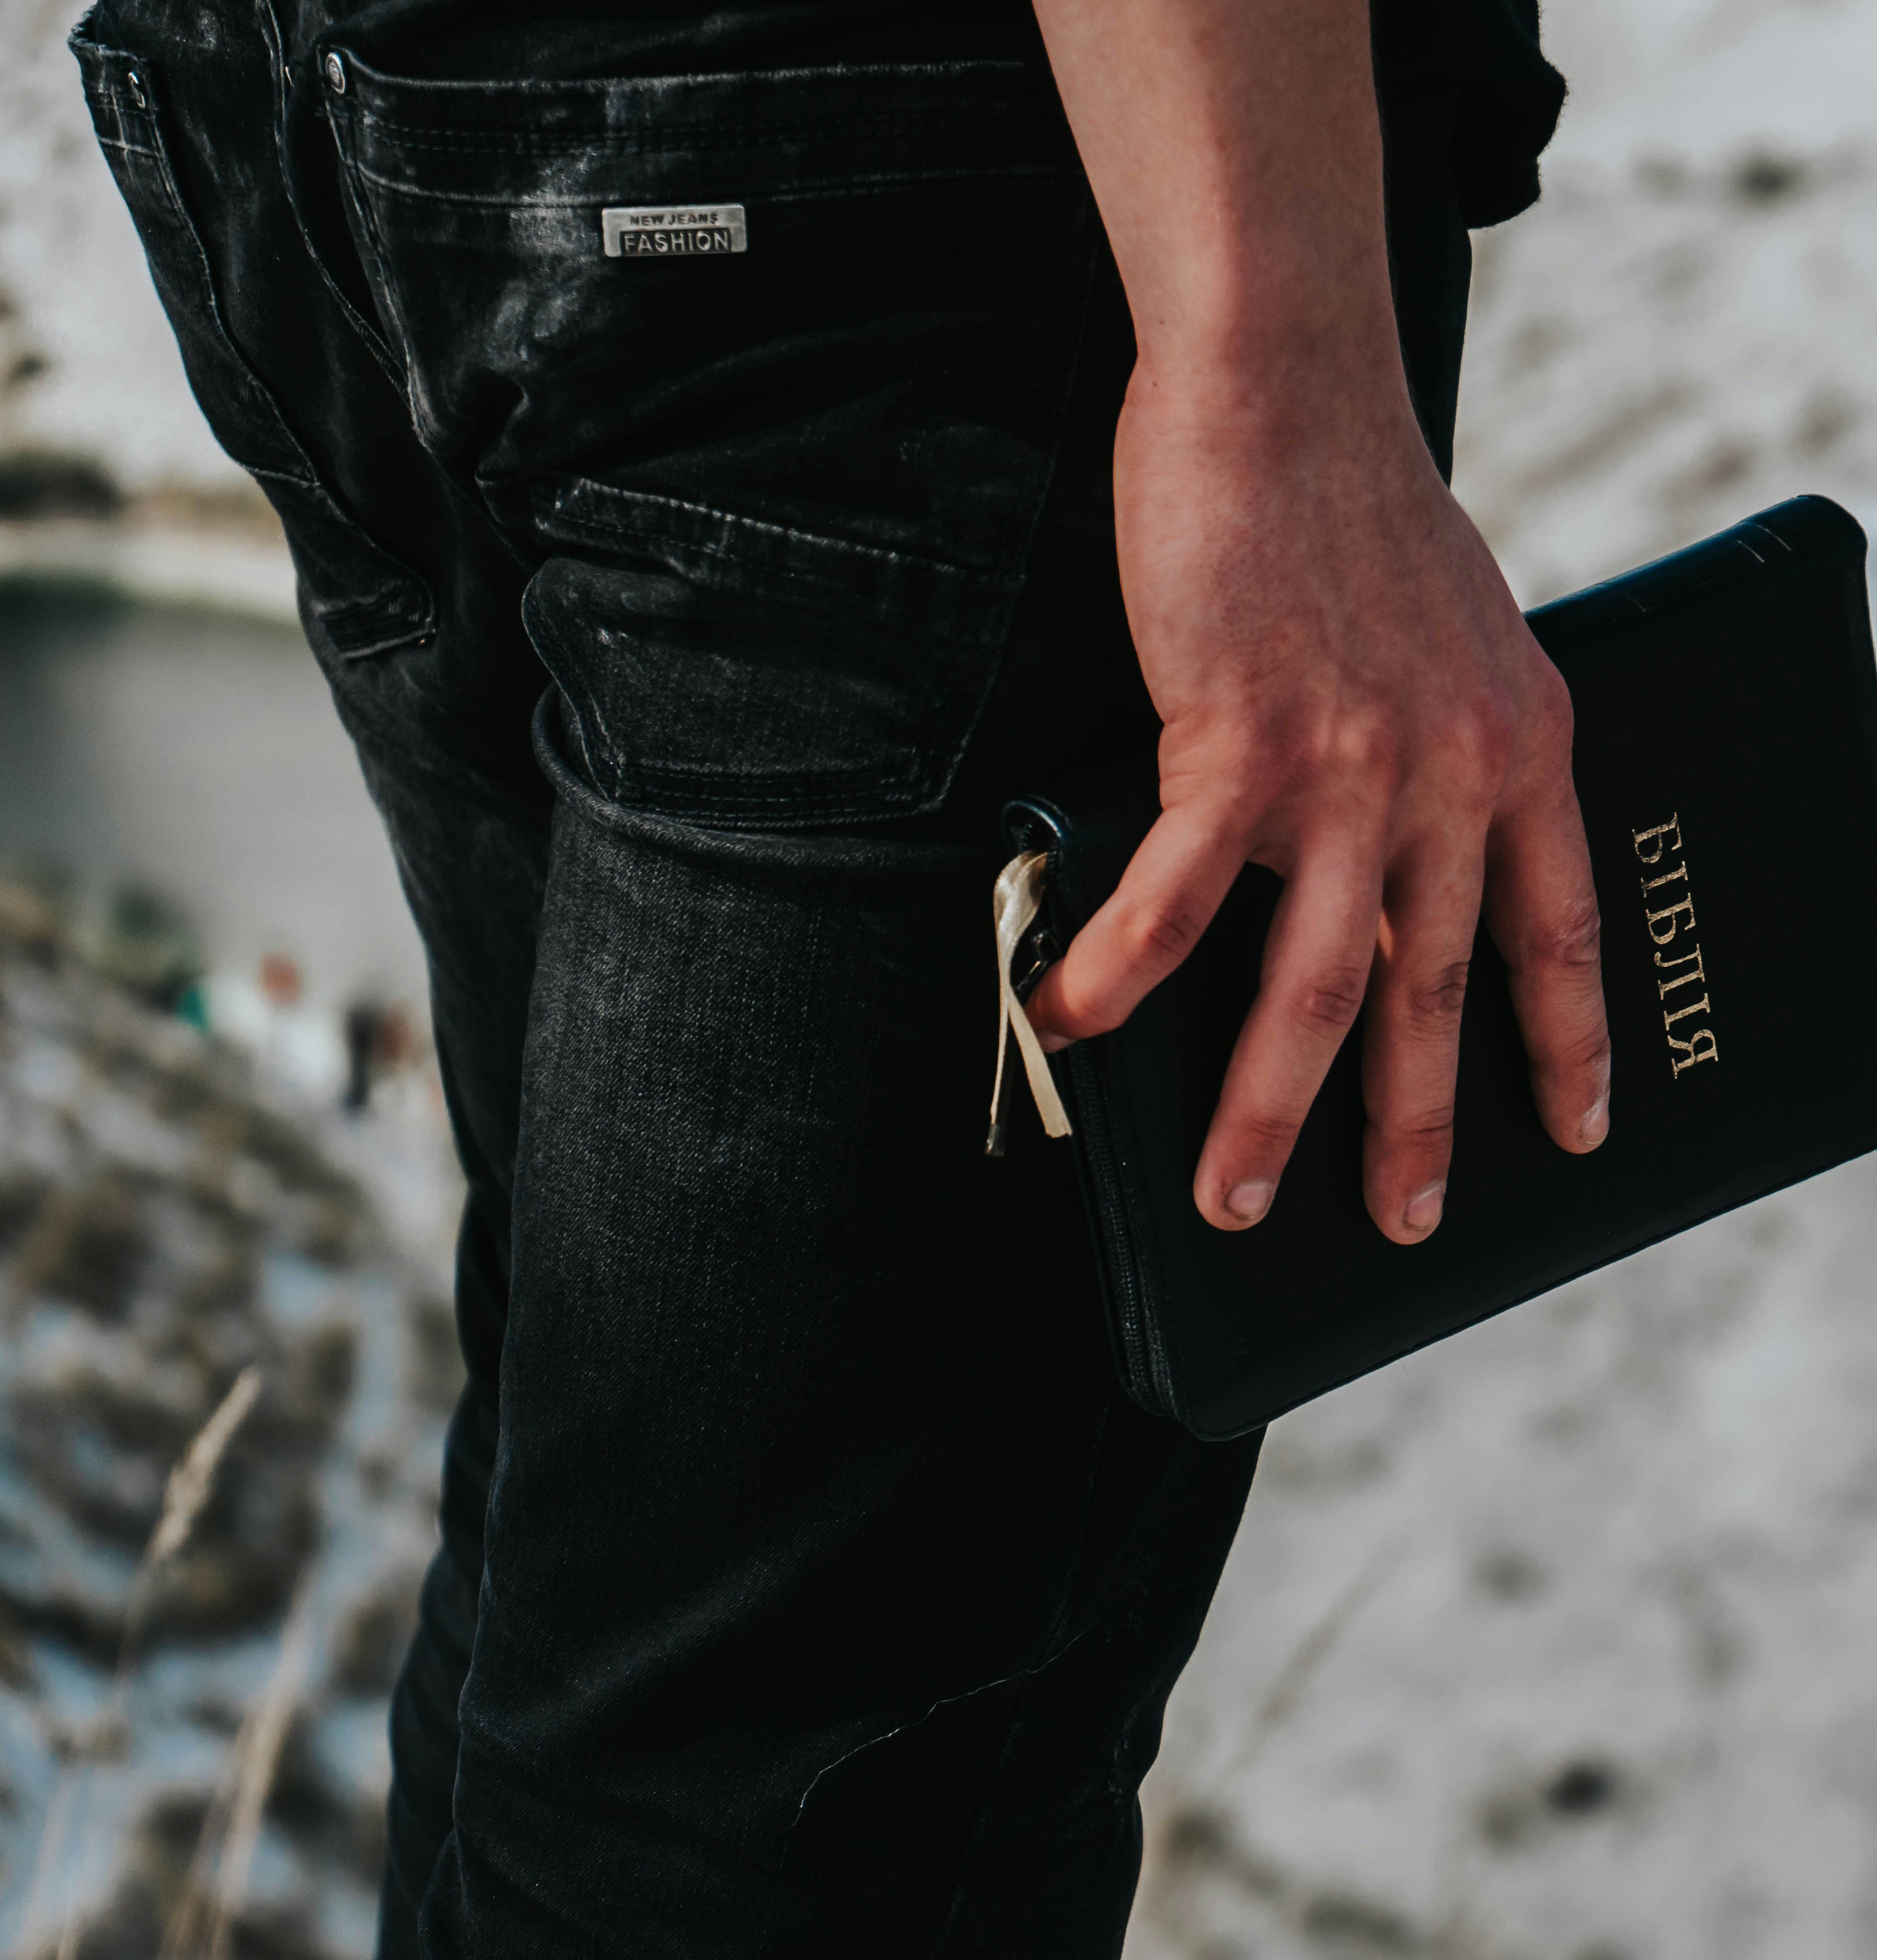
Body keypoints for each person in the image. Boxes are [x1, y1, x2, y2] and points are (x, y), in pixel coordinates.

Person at [73, 0, 1610, 1948]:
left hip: (332, 117)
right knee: (764, 1816)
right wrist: (1266, 353)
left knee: (616, 1628)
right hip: (900, 192)